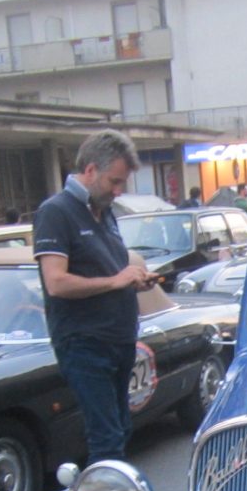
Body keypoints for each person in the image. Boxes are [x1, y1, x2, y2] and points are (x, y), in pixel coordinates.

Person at [33, 129, 157, 464]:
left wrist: (133, 281)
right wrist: (116, 281)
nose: (117, 192)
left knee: (121, 429)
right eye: (113, 182)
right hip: (85, 343)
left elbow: (109, 271)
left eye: (122, 184)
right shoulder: (56, 212)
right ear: (90, 170)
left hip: (118, 338)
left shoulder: (104, 210)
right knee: (107, 438)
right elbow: (56, 282)